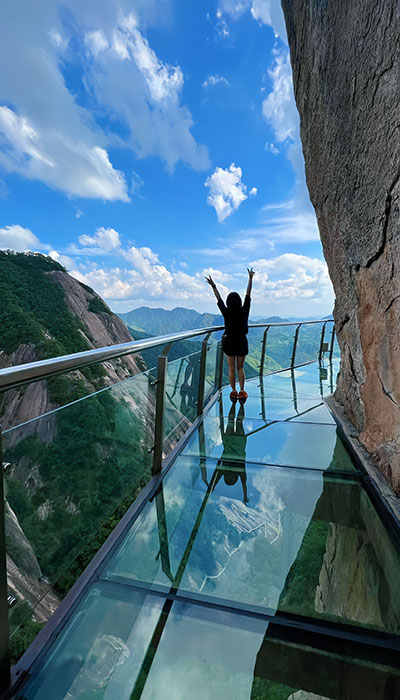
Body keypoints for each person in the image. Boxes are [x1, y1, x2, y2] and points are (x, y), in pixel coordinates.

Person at [205, 267, 254, 401]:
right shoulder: (245, 310)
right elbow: (248, 295)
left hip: (230, 342)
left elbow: (218, 299)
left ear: (229, 302)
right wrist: (250, 279)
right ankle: (242, 391)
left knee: (231, 368)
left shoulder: (227, 312)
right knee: (240, 368)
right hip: (242, 341)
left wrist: (213, 285)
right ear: (239, 301)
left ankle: (233, 391)